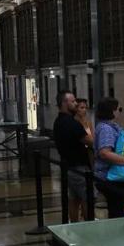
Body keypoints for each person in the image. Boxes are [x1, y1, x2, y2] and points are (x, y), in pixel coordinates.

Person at [93, 97, 124, 218]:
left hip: (115, 177)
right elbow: (105, 153)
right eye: (119, 109)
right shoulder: (106, 129)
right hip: (110, 178)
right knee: (120, 210)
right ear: (112, 111)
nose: (120, 112)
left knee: (118, 208)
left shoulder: (107, 126)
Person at [52, 90, 93, 222]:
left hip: (67, 166)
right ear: (64, 103)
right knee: (88, 197)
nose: (76, 104)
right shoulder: (72, 123)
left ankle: (74, 224)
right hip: (79, 167)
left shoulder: (58, 121)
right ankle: (89, 225)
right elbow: (89, 141)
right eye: (73, 101)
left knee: (74, 198)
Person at [75, 97, 94, 168]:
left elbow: (92, 137)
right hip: (79, 153)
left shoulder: (88, 122)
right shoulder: (74, 122)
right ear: (76, 109)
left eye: (85, 108)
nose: (84, 110)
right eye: (82, 108)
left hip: (89, 153)